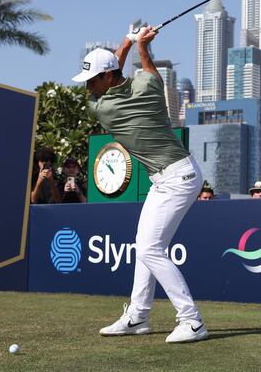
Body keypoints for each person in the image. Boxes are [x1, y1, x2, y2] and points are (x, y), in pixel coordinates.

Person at [74, 27, 207, 343]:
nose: (90, 87)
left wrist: (127, 42)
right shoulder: (147, 86)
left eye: (92, 80)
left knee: (150, 248)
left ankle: (192, 322)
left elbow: (117, 70)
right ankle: (138, 315)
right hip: (173, 175)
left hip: (176, 178)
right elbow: (147, 70)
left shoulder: (104, 109)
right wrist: (143, 47)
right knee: (144, 247)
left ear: (107, 77)